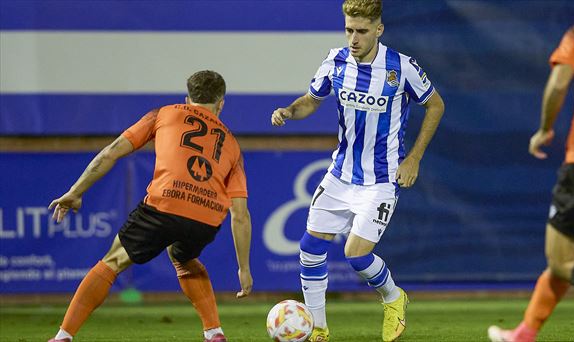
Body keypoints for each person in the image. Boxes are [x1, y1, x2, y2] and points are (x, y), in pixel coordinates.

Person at [271, 1, 445, 341]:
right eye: (349, 29)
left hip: (381, 180)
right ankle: (318, 329)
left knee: (355, 253)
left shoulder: (401, 67)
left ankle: (394, 297)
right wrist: (289, 111)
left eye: (362, 31)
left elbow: (435, 104)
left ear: (378, 30)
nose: (354, 38)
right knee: (309, 247)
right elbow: (312, 99)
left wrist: (414, 158)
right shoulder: (335, 60)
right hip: (339, 174)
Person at [47, 70, 253, 342]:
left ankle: (63, 336)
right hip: (206, 219)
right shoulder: (232, 145)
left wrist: (76, 192)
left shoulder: (163, 114)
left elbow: (112, 152)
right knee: (184, 258)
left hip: (164, 204)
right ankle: (214, 332)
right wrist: (244, 268)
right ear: (221, 103)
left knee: (112, 261)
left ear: (187, 98)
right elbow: (240, 214)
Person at [488, 7, 574, 342]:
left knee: (563, 260)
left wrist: (544, 129)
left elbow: (558, 84)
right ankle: (525, 334)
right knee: (566, 256)